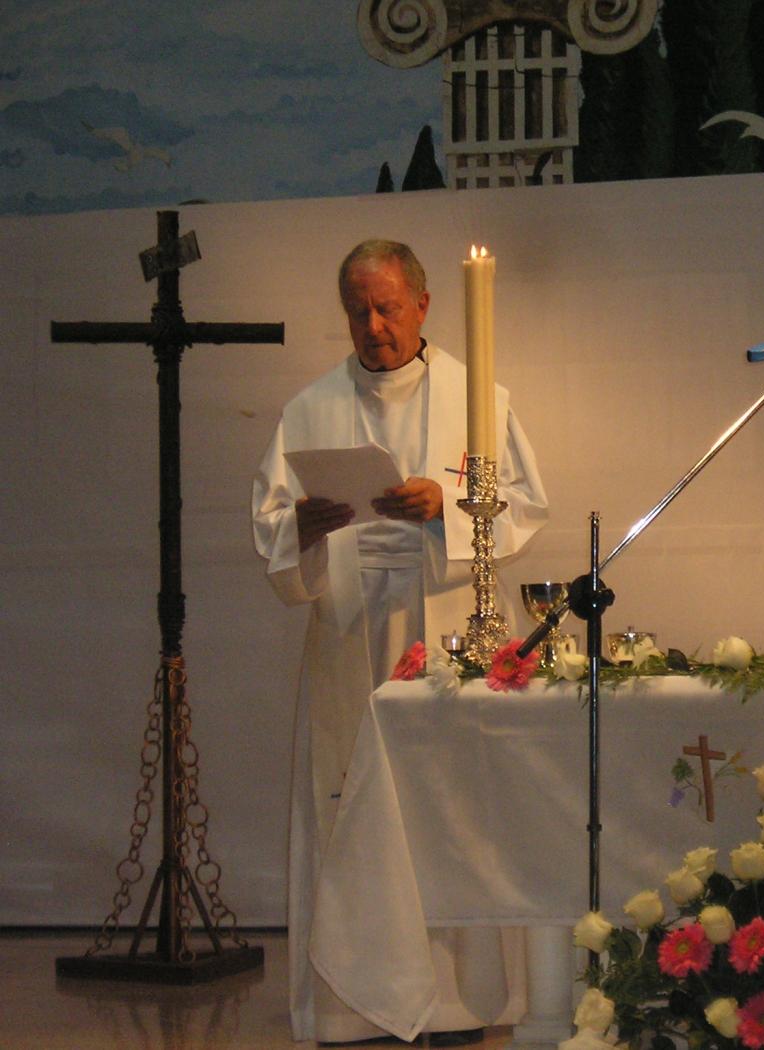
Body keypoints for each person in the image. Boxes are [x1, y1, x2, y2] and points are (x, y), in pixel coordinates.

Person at [252, 239, 548, 1044]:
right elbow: (271, 529)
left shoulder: (476, 398)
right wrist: (304, 529)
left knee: (449, 808)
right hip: (352, 631)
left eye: (387, 307)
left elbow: (526, 505)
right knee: (347, 800)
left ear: (423, 304)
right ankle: (352, 1003)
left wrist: (446, 505)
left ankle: (460, 998)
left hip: (447, 622)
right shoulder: (308, 410)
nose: (373, 325)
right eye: (358, 310)